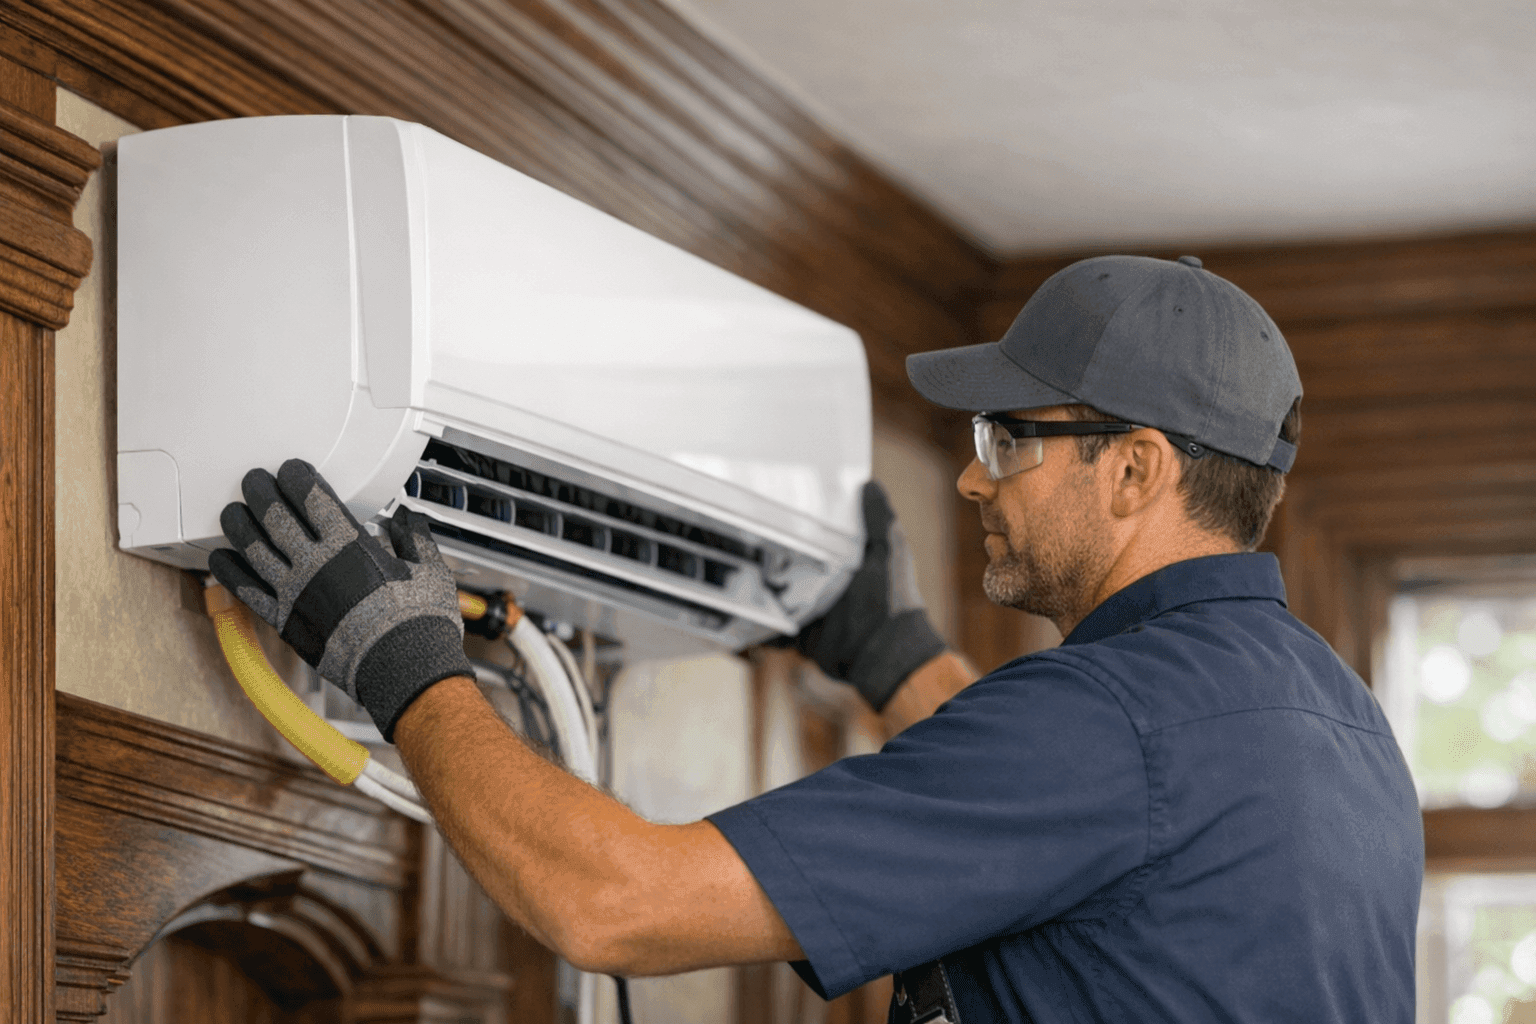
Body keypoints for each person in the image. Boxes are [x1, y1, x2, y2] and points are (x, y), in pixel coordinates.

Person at [209, 253, 1424, 1023]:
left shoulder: (1110, 720)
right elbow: (1053, 824)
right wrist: (892, 657)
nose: (968, 476)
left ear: (1135, 469)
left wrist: (404, 659)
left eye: (1009, 439)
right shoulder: (1339, 721)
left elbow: (611, 906)